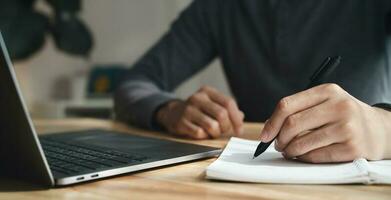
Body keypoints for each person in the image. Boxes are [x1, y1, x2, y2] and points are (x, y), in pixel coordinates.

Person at [114, 0, 391, 163]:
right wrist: (169, 110)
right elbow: (134, 84)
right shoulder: (219, 7)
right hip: (250, 176)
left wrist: (383, 129)